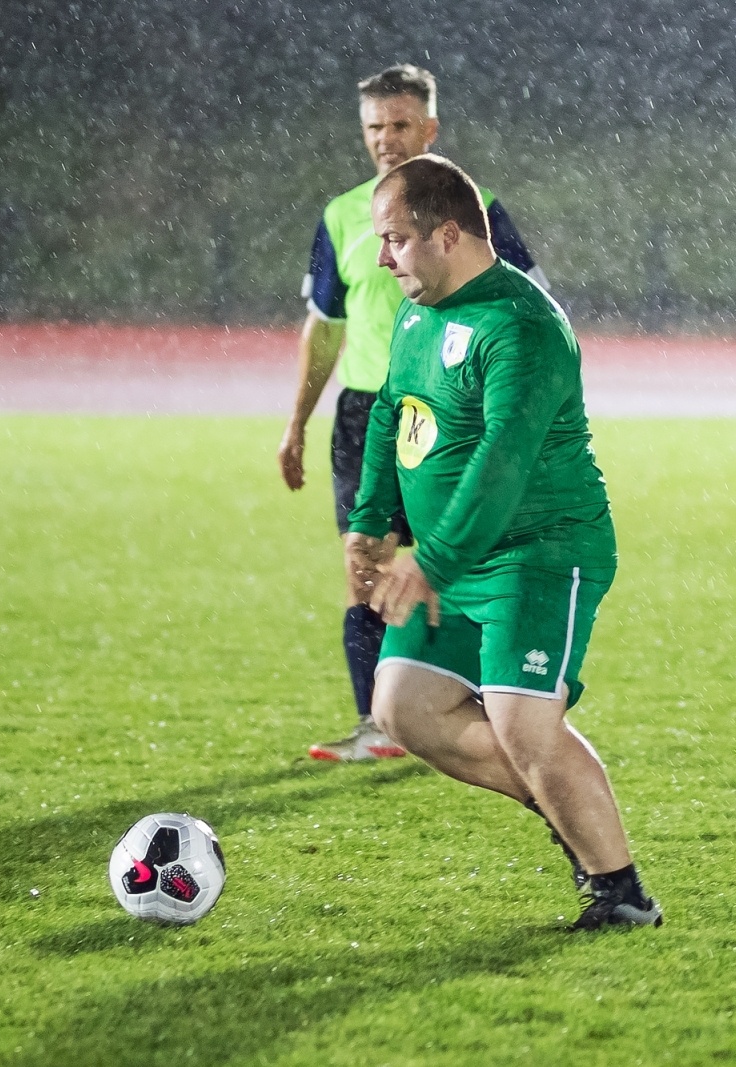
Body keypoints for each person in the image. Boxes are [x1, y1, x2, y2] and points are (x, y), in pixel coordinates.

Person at [348, 154, 661, 930]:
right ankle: (564, 803)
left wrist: (433, 558)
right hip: (456, 556)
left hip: (542, 552)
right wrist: (370, 518)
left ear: (446, 233)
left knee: (525, 725)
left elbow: (504, 462)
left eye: (394, 241)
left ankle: (622, 892)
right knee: (403, 706)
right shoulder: (422, 313)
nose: (384, 260)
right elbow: (394, 411)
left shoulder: (523, 326)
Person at [281, 64, 547, 763]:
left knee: (462, 551)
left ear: (430, 127)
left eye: (400, 125)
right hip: (368, 410)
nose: (386, 140)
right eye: (374, 127)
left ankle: (479, 699)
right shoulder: (344, 216)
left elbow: (528, 303)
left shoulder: (476, 206)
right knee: (364, 564)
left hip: (453, 406)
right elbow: (324, 327)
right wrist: (295, 423)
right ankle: (380, 721)